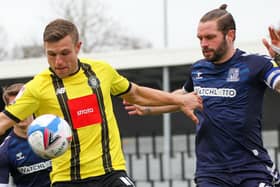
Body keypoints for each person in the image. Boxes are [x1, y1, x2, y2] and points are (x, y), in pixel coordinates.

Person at [0, 19, 202, 187]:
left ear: (78, 47)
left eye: (64, 53)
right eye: (51, 55)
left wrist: (180, 100)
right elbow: (3, 121)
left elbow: (136, 93)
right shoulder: (37, 87)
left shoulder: (101, 72)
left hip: (110, 173)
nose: (58, 61)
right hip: (66, 179)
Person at [124, 4, 280, 187]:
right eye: (200, 38)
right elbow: (182, 98)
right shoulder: (198, 69)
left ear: (230, 35)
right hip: (210, 171)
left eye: (210, 37)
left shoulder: (255, 64)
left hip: (250, 168)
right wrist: (149, 108)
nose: (204, 44)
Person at [0, 83, 51, 187]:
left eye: (23, 107)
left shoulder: (55, 135)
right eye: (13, 108)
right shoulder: (5, 151)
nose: (19, 113)